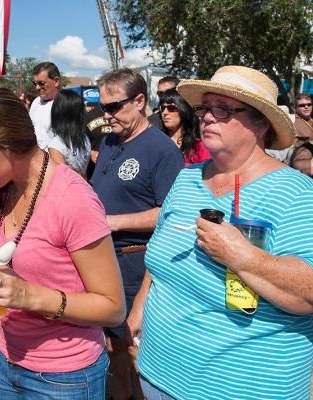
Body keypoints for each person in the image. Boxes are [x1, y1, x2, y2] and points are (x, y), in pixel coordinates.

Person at [0, 84, 125, 399]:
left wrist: (30, 296)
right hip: (3, 360)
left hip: (64, 377)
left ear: (7, 144)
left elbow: (112, 309)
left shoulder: (72, 198)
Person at [129, 65, 313, 400]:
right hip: (157, 374)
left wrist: (240, 254)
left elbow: (312, 292)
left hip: (241, 388)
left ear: (260, 124)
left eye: (224, 110)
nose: (207, 118)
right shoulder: (188, 178)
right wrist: (139, 309)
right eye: (205, 109)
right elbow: (158, 253)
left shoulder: (296, 192)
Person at [91, 68, 184, 400]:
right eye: (103, 107)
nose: (106, 115)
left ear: (140, 100)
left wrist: (114, 221)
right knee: (114, 348)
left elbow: (170, 213)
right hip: (105, 261)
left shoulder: (161, 150)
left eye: (114, 106)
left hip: (136, 265)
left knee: (136, 350)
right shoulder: (109, 140)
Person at [159, 88, 210, 166]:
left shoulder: (200, 147)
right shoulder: (157, 142)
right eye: (162, 108)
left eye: (171, 108)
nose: (165, 112)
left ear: (183, 109)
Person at [48, 89, 91, 177]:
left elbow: (62, 178)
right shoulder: (85, 139)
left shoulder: (57, 144)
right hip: (84, 187)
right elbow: (84, 173)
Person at [29, 62, 62, 150]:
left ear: (56, 81)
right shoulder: (36, 102)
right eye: (35, 83)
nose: (37, 87)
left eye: (41, 83)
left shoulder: (66, 105)